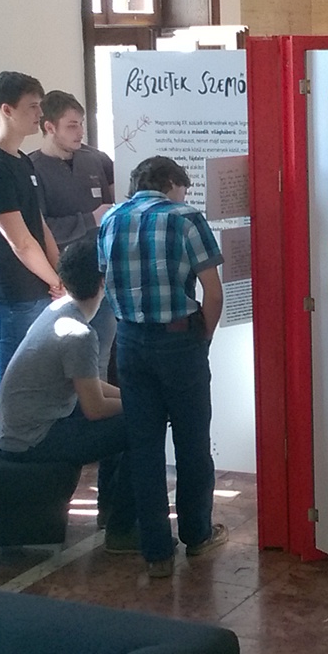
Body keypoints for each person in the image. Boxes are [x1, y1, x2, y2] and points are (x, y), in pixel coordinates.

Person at [98, 156, 227, 577]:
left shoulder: (111, 218)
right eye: (182, 188)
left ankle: (155, 551)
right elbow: (213, 292)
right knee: (192, 442)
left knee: (145, 446)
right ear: (172, 183)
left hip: (130, 342)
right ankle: (197, 534)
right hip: (178, 340)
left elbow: (106, 281)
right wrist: (201, 340)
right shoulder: (185, 217)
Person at [0, 240, 134, 551]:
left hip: (17, 429)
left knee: (133, 413)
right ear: (103, 283)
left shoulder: (57, 309)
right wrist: (141, 405)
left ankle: (111, 515)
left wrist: (132, 398)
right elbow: (95, 407)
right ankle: (122, 529)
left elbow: (90, 384)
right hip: (32, 439)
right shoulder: (79, 334)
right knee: (138, 424)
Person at [0, 71, 64, 423]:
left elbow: (37, 224)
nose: (40, 113)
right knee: (10, 380)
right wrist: (55, 282)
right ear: (6, 110)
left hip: (38, 289)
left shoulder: (21, 160)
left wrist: (59, 275)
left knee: (36, 381)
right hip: (12, 295)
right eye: (33, 106)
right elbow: (20, 241)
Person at [29, 90, 116, 251]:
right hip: (60, 265)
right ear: (50, 127)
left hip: (102, 260)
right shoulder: (31, 169)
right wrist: (90, 220)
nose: (80, 132)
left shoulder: (97, 159)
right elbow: (38, 229)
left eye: (81, 124)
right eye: (72, 126)